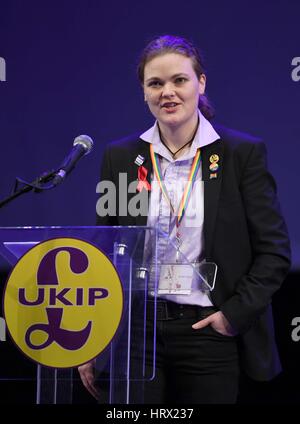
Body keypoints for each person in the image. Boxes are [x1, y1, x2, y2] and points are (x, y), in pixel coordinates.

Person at [78, 35, 291, 404]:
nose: (168, 92)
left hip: (208, 329)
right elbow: (106, 251)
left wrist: (231, 315)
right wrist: (94, 332)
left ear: (200, 83)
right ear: (143, 92)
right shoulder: (122, 157)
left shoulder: (241, 153)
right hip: (136, 332)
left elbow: (274, 252)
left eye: (179, 80)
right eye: (155, 83)